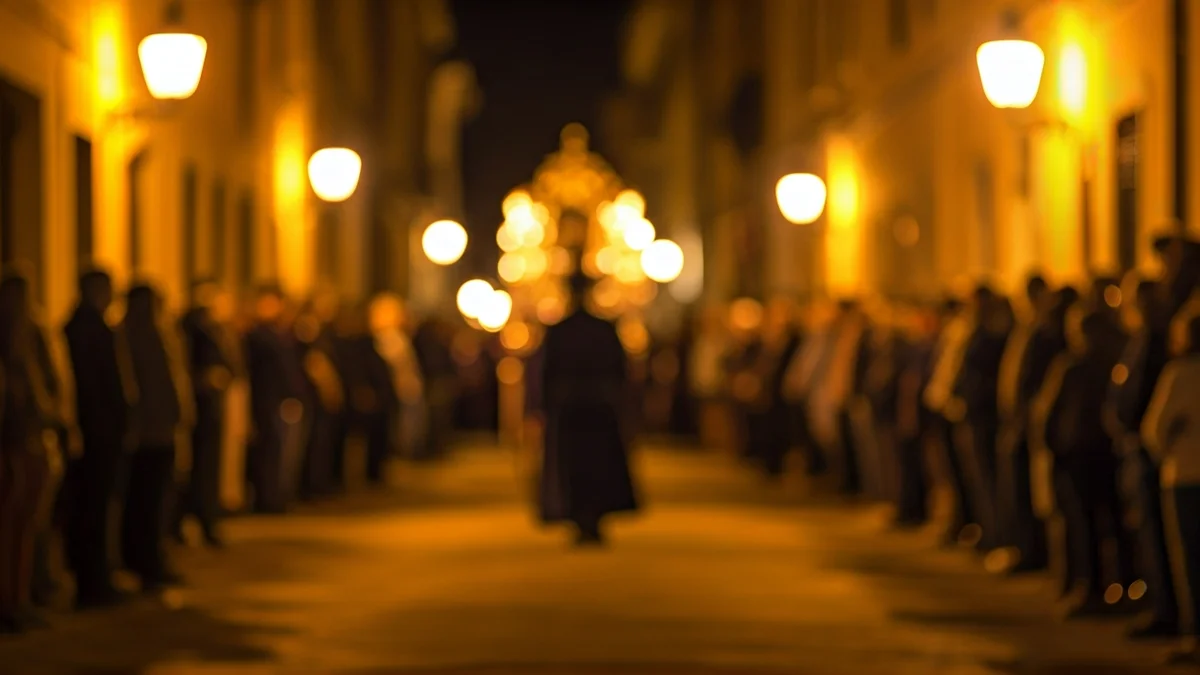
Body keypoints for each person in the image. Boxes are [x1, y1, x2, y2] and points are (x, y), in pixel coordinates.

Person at [1036, 308, 1135, 618]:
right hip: (1085, 455)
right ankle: (1109, 587)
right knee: (1097, 525)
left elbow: (1050, 413)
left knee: (1093, 526)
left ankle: (1100, 588)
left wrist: (1053, 445)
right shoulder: (1096, 365)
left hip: (1088, 455)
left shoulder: (1082, 367)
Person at [539, 270, 638, 546]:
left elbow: (548, 374)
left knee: (585, 466)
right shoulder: (600, 329)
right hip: (593, 407)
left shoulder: (563, 331)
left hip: (578, 408)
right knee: (591, 465)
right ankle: (588, 519)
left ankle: (586, 518)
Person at [63, 269, 135, 609]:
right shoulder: (85, 329)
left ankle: (98, 577)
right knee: (93, 507)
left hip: (102, 432)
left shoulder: (94, 326)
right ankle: (93, 581)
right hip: (97, 435)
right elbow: (94, 387)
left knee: (99, 507)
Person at [120, 284, 189, 591]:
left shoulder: (160, 333)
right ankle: (145, 562)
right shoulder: (131, 336)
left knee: (159, 500)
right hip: (147, 434)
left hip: (163, 431)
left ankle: (154, 559)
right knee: (145, 502)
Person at [1142, 301, 1200, 664]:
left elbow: (1154, 430)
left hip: (1184, 477)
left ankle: (1194, 636)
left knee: (1190, 561)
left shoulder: (1179, 374)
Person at [0, 274, 58, 631]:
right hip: (14, 446)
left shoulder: (30, 340)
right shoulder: (9, 347)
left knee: (27, 525)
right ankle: (10, 600)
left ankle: (20, 597)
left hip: (32, 441)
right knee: (11, 527)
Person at [176, 280, 234, 546]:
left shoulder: (215, 328)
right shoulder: (191, 328)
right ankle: (193, 519)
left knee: (209, 467)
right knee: (197, 467)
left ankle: (207, 518)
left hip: (212, 407)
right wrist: (203, 379)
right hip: (199, 407)